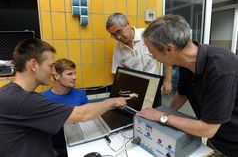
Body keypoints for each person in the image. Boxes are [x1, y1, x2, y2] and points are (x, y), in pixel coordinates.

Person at [0, 38, 128, 157]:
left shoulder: (10, 93)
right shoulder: (23, 100)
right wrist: (114, 101)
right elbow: (82, 114)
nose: (53, 72)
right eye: (50, 66)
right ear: (33, 65)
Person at [136, 14, 238, 157]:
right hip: (215, 139)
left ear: (169, 49)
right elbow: (182, 95)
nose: (151, 55)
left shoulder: (221, 68)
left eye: (151, 50)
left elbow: (208, 129)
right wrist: (166, 112)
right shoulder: (185, 62)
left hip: (233, 142)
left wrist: (162, 117)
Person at [106, 13, 172, 95]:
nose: (118, 37)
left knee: (153, 107)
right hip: (133, 89)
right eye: (114, 35)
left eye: (119, 31)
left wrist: (167, 81)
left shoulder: (148, 35)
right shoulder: (118, 49)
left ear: (127, 24)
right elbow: (116, 73)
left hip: (153, 86)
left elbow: (167, 56)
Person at [41, 58, 88, 157]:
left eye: (75, 73)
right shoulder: (43, 98)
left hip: (79, 144)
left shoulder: (80, 94)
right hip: (55, 150)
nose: (74, 77)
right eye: (69, 74)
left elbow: (88, 118)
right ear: (56, 76)